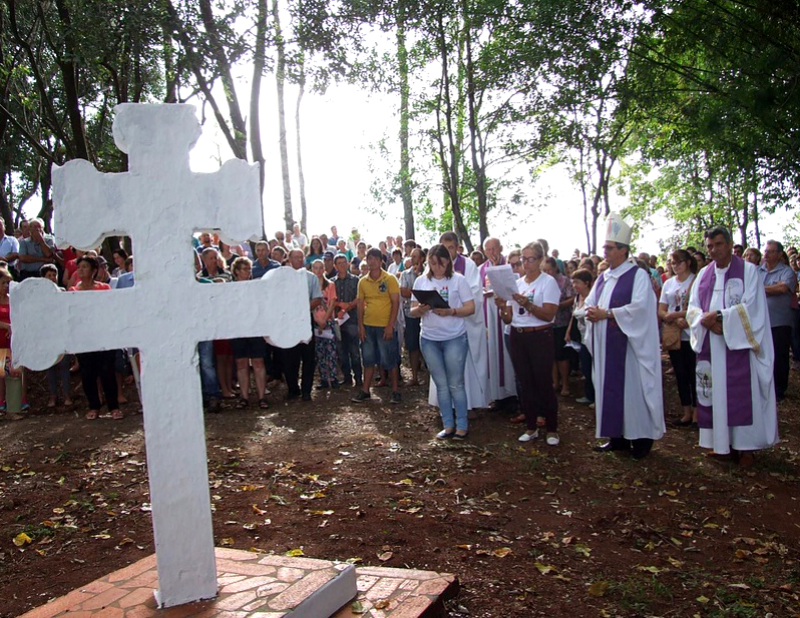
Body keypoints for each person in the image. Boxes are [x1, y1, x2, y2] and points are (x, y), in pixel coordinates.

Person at [686, 226, 779, 467]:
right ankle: (722, 445)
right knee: (716, 393)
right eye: (709, 246)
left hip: (738, 347)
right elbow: (692, 309)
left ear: (728, 244)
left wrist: (721, 319)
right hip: (711, 346)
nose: (714, 250)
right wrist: (706, 321)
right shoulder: (703, 276)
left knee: (740, 393)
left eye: (718, 244)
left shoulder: (748, 272)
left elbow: (753, 307)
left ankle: (746, 448)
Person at [585, 213, 665, 459]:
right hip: (606, 346)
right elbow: (590, 302)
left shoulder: (637, 276)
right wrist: (588, 313)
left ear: (623, 250)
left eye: (609, 248)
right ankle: (616, 437)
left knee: (633, 392)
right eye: (605, 248)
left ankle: (641, 440)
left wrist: (607, 314)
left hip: (630, 348)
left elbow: (641, 309)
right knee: (610, 390)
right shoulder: (603, 277)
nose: (605, 252)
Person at [497, 242, 560, 445]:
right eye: (523, 259)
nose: (526, 263)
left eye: (530, 258)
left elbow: (549, 313)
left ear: (541, 260)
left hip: (540, 335)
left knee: (543, 382)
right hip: (518, 335)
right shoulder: (518, 284)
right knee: (525, 383)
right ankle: (531, 426)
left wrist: (528, 304)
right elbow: (508, 318)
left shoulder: (548, 282)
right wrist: (502, 308)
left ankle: (552, 429)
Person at [411, 244, 474, 440]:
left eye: (441, 263)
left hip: (454, 337)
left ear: (448, 262)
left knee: (455, 383)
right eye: (433, 264)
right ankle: (448, 425)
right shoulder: (422, 281)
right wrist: (421, 309)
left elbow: (470, 308)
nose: (437, 267)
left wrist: (451, 311)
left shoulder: (458, 280)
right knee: (441, 384)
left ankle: (462, 425)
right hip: (429, 338)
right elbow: (412, 310)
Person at [429, 232, 488, 411]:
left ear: (457, 248)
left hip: (463, 325)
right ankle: (445, 405)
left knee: (464, 370)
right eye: (444, 247)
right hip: (440, 326)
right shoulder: (435, 267)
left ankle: (469, 404)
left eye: (451, 248)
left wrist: (454, 307)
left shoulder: (468, 266)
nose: (447, 252)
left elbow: (475, 294)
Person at [69, 256, 122, 420]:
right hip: (83, 338)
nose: (81, 270)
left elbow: (111, 310)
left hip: (104, 336)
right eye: (79, 267)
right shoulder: (73, 292)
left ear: (94, 271)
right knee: (87, 373)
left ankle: (113, 407)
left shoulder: (104, 288)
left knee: (107, 371)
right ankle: (94, 406)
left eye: (85, 267)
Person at [352, 248, 401, 404]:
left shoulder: (390, 279)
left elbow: (395, 303)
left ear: (381, 261)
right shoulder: (362, 281)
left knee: (390, 359)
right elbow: (360, 305)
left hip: (384, 326)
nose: (372, 261)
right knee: (368, 359)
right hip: (368, 326)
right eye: (369, 258)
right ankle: (366, 391)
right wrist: (360, 326)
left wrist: (390, 325)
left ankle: (395, 391)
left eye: (375, 258)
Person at [658, 250, 698, 426]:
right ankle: (686, 411)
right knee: (680, 374)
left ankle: (698, 413)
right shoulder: (668, 284)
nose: (675, 266)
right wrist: (673, 317)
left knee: (694, 374)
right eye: (672, 263)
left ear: (688, 262)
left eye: (679, 262)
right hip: (675, 334)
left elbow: (701, 306)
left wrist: (681, 316)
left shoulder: (696, 280)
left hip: (693, 334)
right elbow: (661, 309)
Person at [228, 257, 270, 409]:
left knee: (258, 362)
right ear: (237, 271)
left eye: (249, 269)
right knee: (241, 363)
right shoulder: (229, 289)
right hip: (238, 330)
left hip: (255, 328)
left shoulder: (256, 287)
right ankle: (244, 397)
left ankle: (261, 397)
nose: (248, 272)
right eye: (245, 269)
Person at [480, 237, 516, 408]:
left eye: (494, 249)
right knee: (492, 353)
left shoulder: (509, 266)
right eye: (488, 250)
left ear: (501, 248)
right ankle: (495, 395)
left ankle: (512, 394)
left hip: (505, 316)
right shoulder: (481, 269)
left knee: (507, 354)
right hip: (488, 315)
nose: (492, 253)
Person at [283, 249, 323, 400]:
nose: (299, 260)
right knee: (289, 357)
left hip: (305, 320)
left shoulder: (311, 277)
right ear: (290, 259)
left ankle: (306, 390)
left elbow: (317, 298)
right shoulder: (283, 277)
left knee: (308, 357)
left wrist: (301, 308)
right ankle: (293, 388)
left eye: (301, 257)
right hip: (288, 322)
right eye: (296, 257)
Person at [759, 240, 796, 402]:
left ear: (780, 254)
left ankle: (779, 389)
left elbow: (783, 288)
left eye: (771, 251)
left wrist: (760, 289)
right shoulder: (757, 271)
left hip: (780, 321)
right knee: (762, 353)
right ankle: (763, 385)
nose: (766, 254)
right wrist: (771, 288)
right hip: (760, 321)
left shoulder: (787, 272)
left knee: (780, 355)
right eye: (765, 251)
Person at [38, 265, 73, 408]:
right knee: (50, 367)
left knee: (64, 366)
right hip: (47, 335)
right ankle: (53, 396)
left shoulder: (63, 292)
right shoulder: (38, 296)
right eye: (49, 275)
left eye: (54, 275)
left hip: (62, 334)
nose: (52, 278)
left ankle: (67, 395)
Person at [542, 256, 575, 397]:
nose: (548, 272)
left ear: (555, 268)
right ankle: (554, 382)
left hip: (561, 322)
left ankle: (566, 384)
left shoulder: (564, 281)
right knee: (551, 355)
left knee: (561, 355)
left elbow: (572, 298)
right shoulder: (542, 281)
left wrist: (559, 305)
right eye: (545, 270)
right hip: (547, 322)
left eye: (550, 269)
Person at [566, 268, 595, 407]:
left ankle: (597, 397)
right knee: (586, 368)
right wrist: (568, 331)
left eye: (577, 282)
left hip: (593, 338)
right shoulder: (577, 298)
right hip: (582, 338)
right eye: (573, 283)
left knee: (594, 368)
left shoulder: (594, 298)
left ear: (586, 283)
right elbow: (573, 316)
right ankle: (589, 395)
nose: (574, 286)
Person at [333, 253, 363, 387]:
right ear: (335, 266)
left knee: (355, 351)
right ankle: (347, 377)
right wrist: (340, 305)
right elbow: (329, 300)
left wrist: (349, 305)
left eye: (344, 262)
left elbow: (360, 297)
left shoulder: (356, 280)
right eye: (339, 263)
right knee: (341, 351)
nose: (342, 265)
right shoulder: (332, 282)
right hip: (338, 320)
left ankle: (359, 378)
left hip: (352, 320)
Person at [311, 259, 340, 389]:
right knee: (320, 352)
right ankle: (323, 378)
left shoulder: (330, 285)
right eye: (315, 268)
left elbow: (332, 303)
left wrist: (325, 319)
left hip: (327, 321)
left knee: (331, 351)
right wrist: (317, 320)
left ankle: (333, 378)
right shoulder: (310, 286)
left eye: (320, 268)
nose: (318, 270)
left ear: (324, 269)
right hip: (315, 322)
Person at [399, 247, 425, 385]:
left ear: (422, 258)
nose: (413, 258)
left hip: (427, 314)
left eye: (415, 256)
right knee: (412, 346)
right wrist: (420, 294)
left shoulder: (428, 274)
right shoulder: (405, 274)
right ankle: (414, 377)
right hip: (411, 314)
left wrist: (414, 292)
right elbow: (403, 291)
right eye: (412, 256)